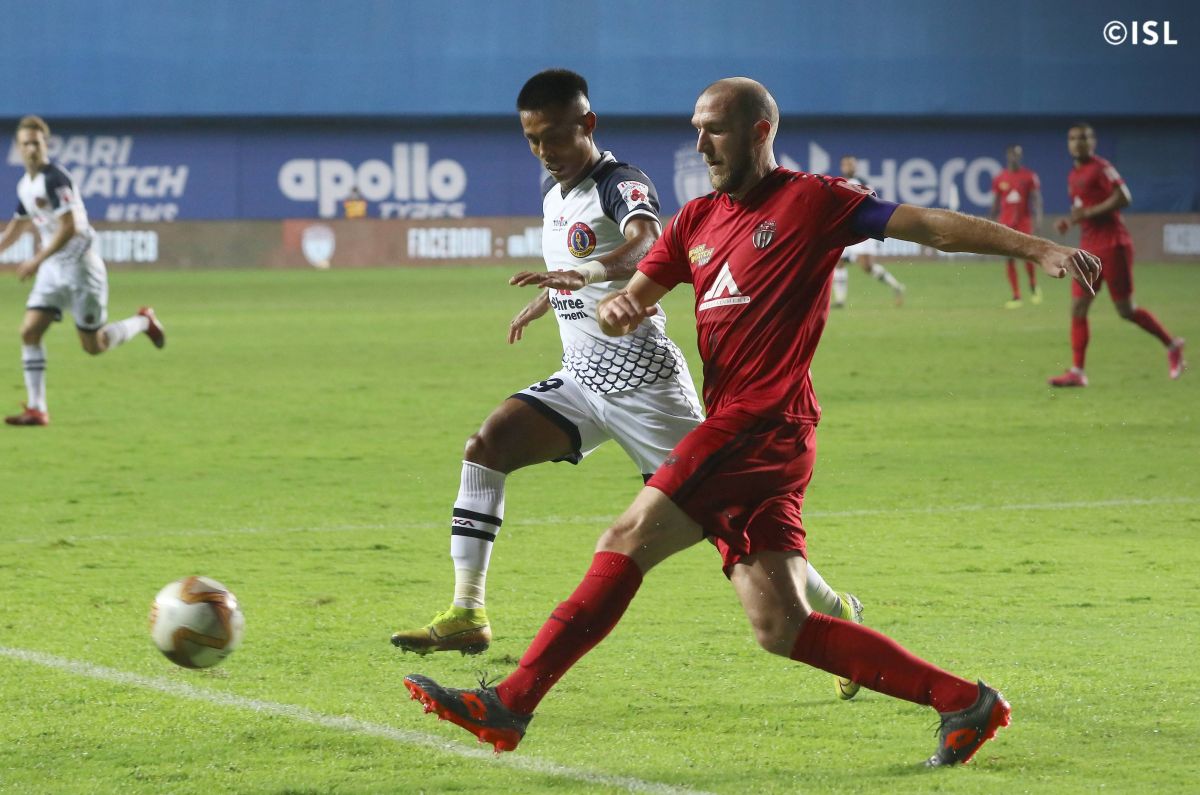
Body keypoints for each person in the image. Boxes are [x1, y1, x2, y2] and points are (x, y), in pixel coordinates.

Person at [403, 78, 1101, 766]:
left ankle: (512, 702)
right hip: (753, 432)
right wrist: (619, 303)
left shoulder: (815, 201)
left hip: (761, 423)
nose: (702, 143)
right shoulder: (697, 221)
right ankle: (965, 701)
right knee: (779, 624)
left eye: (717, 129)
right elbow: (642, 286)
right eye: (696, 129)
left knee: (627, 533)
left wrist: (1039, 249)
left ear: (761, 130)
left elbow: (928, 226)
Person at [391, 69, 864, 698]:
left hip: (646, 388)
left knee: (735, 531)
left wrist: (584, 273)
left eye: (554, 136)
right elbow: (579, 277)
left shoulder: (622, 182)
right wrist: (556, 299)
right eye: (532, 139)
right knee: (488, 446)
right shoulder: (555, 191)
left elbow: (647, 246)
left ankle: (829, 609)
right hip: (585, 381)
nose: (543, 150)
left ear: (586, 125)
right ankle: (468, 612)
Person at [0, 116, 164, 427]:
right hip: (52, 270)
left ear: (46, 144)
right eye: (26, 144)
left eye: (37, 142)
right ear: (18, 149)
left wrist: (35, 260)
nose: (32, 148)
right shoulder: (25, 185)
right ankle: (37, 409)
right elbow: (14, 231)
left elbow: (70, 227)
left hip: (81, 269)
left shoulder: (56, 179)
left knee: (94, 345)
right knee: (29, 332)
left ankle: (144, 321)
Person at [1049, 122, 1185, 386]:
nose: (1078, 142)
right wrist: (1071, 222)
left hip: (1113, 245)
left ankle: (1172, 345)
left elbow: (1123, 197)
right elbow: (1084, 208)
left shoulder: (1101, 167)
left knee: (1125, 310)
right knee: (1078, 307)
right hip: (1088, 248)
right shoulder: (1072, 175)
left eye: (1084, 138)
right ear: (1068, 144)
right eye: (1073, 138)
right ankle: (1077, 372)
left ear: (1093, 142)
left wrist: (1088, 213)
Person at [830, 155, 905, 308]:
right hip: (847, 229)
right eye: (846, 164)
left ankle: (896, 287)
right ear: (842, 166)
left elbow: (873, 204)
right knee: (839, 262)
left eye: (851, 164)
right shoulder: (840, 182)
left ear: (855, 166)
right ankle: (840, 300)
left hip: (862, 229)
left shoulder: (863, 183)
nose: (848, 167)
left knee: (867, 266)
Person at [990, 145, 1043, 308]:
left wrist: (1038, 218)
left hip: (1023, 222)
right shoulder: (1000, 178)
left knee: (1027, 254)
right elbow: (996, 202)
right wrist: (991, 222)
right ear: (1007, 156)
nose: (1014, 158)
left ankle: (1033, 286)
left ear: (1021, 157)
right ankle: (1016, 295)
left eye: (1017, 155)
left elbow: (1036, 199)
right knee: (1009, 258)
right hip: (1006, 223)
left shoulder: (1029, 176)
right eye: (1012, 155)